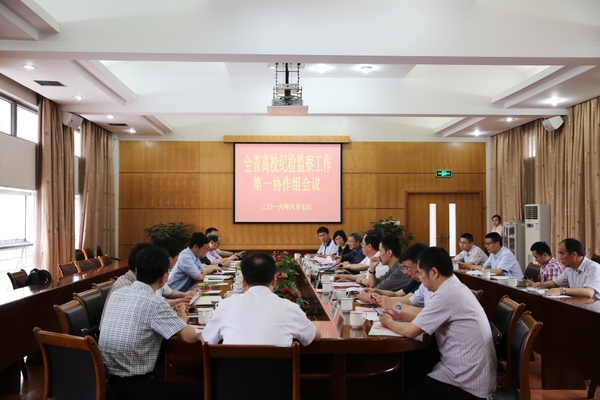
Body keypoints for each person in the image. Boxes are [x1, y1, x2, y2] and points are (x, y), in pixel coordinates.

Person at [380, 247, 497, 400]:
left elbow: (410, 331)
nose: (420, 278)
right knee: (411, 368)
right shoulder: (454, 287)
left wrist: (388, 322)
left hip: (466, 384)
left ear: (434, 272)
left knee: (407, 376)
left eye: (420, 273)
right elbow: (426, 316)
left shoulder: (446, 295)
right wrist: (400, 314)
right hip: (469, 374)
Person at [100, 245, 198, 400]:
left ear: (137, 270)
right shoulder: (155, 302)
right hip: (137, 387)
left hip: (108, 383)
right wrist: (181, 319)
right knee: (202, 390)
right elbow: (190, 337)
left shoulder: (118, 293)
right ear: (164, 277)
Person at [202, 252, 321, 345]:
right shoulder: (290, 308)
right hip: (278, 371)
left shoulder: (225, 306)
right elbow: (315, 335)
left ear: (243, 282)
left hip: (231, 370)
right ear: (274, 280)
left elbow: (206, 338)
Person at [533, 238, 600, 299]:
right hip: (576, 304)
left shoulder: (593, 268)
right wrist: (543, 284)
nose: (560, 258)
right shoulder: (569, 269)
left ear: (574, 255)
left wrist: (562, 290)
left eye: (562, 254)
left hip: (592, 306)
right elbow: (556, 283)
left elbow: (589, 292)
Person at [356, 233, 410, 301]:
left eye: (380, 251)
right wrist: (372, 268)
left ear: (389, 253)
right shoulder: (393, 268)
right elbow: (373, 284)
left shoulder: (400, 270)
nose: (378, 255)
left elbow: (377, 288)